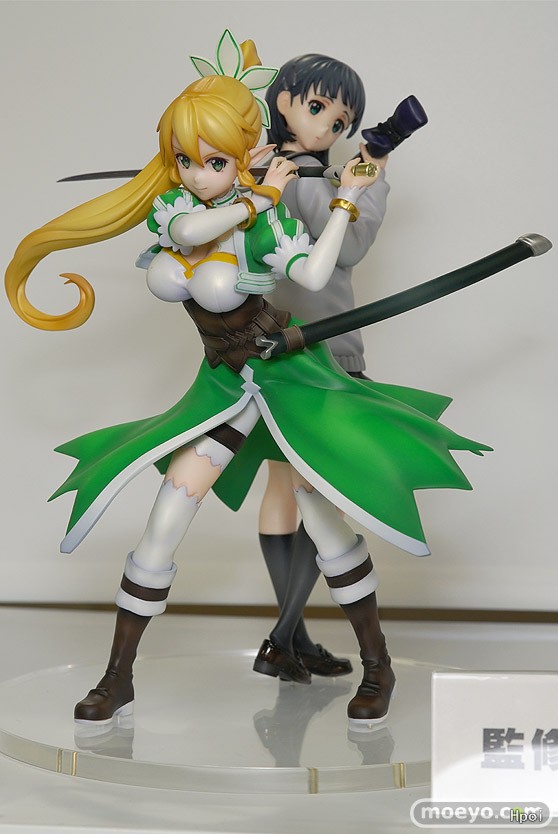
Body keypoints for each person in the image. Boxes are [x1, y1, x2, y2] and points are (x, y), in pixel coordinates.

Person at [5, 30, 490, 728]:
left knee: (323, 519)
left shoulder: (274, 220)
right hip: (227, 388)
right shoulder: (182, 213)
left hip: (291, 378)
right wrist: (254, 193)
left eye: (214, 161)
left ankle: (375, 664)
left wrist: (348, 197)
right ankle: (118, 677)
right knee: (168, 511)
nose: (199, 173)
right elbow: (186, 234)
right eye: (188, 160)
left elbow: (317, 273)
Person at [214, 53, 390, 683]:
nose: (326, 127)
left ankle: (290, 639)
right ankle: (285, 636)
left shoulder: (300, 176)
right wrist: (353, 184)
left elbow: (349, 243)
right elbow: (336, 237)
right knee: (303, 487)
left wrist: (366, 175)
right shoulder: (266, 176)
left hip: (317, 343)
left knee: (295, 486)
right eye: (317, 108)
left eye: (339, 122)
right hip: (283, 348)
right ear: (282, 100)